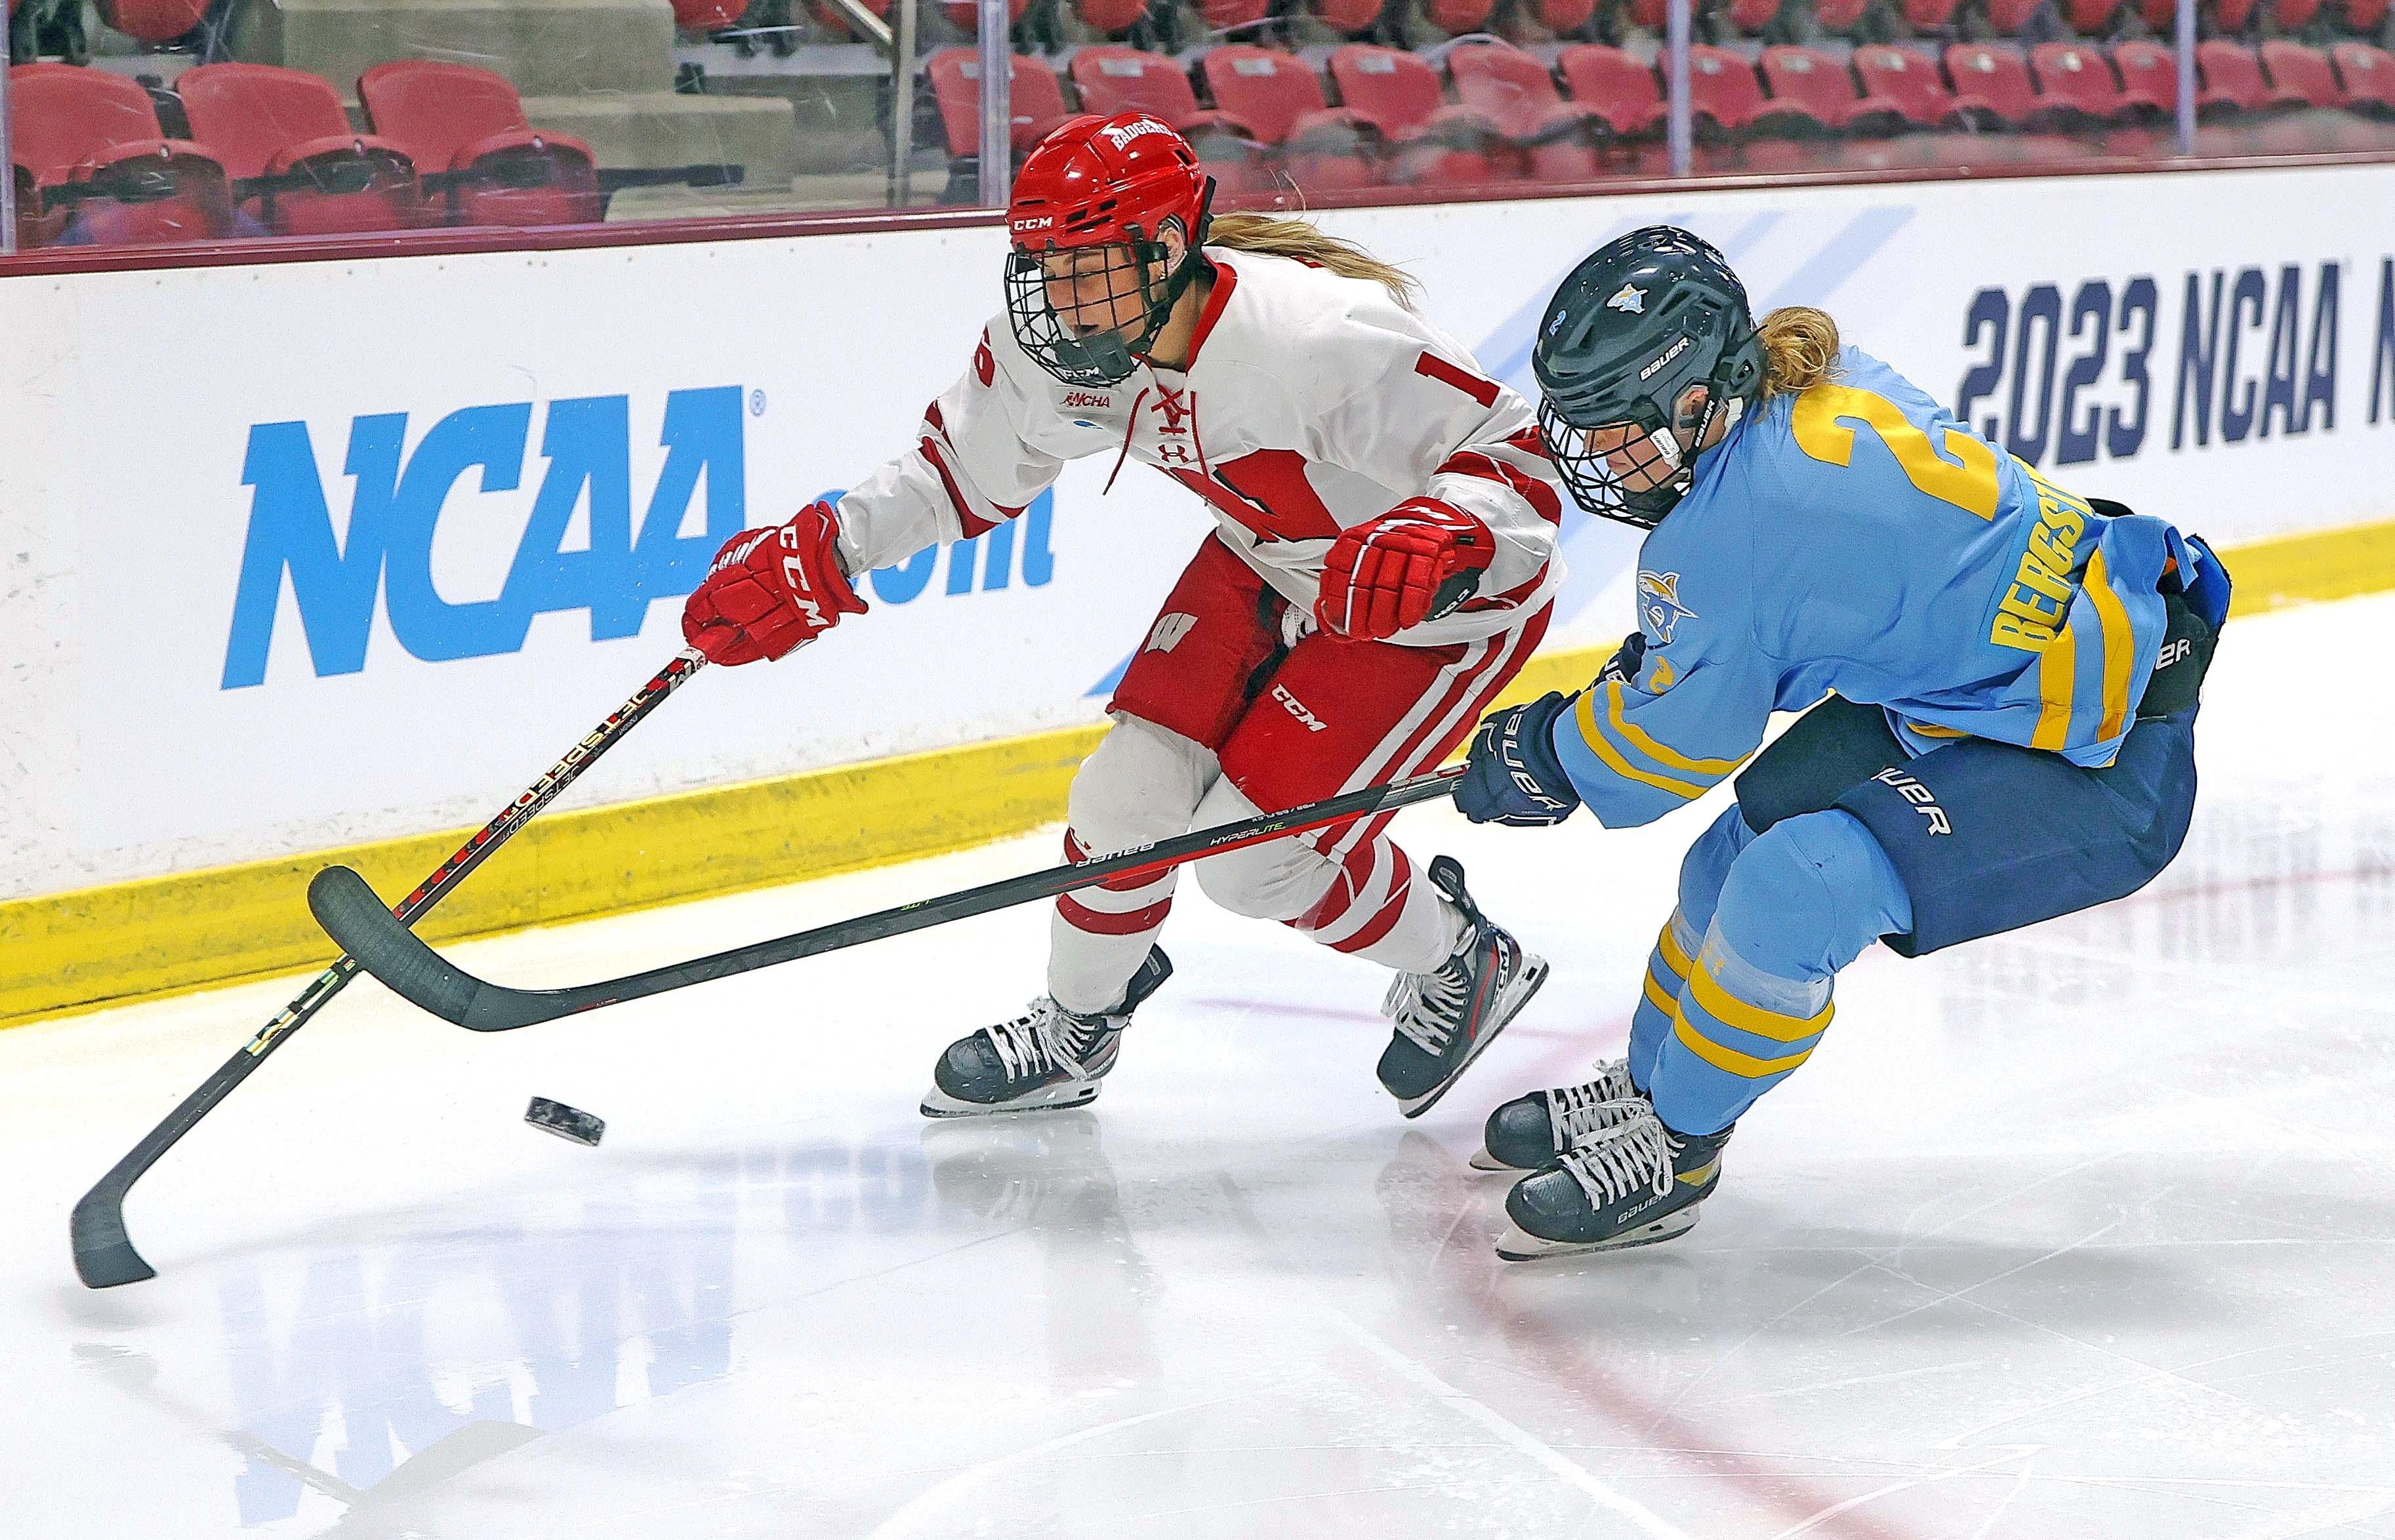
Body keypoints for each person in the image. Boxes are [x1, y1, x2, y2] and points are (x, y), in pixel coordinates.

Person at [680, 113, 1566, 1122]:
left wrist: (1450, 533)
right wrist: (824, 549)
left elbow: (1519, 461)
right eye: (1040, 272)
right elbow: (955, 474)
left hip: (1424, 608)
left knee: (1253, 861)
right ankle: (1077, 1032)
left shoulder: (1313, 336)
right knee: (1119, 801)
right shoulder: (1070, 337)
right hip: (1268, 560)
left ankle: (1464, 957)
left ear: (1167, 250)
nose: (1055, 307)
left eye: (1083, 269)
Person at [1454, 226, 2230, 1261]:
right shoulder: (1818, 389)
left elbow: (1671, 750)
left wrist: (1547, 751)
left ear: (1697, 399)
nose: (1599, 455)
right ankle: (1648, 1093)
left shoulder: (1731, 530)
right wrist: (1666, 665)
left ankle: (1676, 1150)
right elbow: (1813, 627)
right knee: (1731, 855)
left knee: (1797, 885)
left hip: (2100, 749)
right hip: (2001, 681)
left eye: (1619, 427)